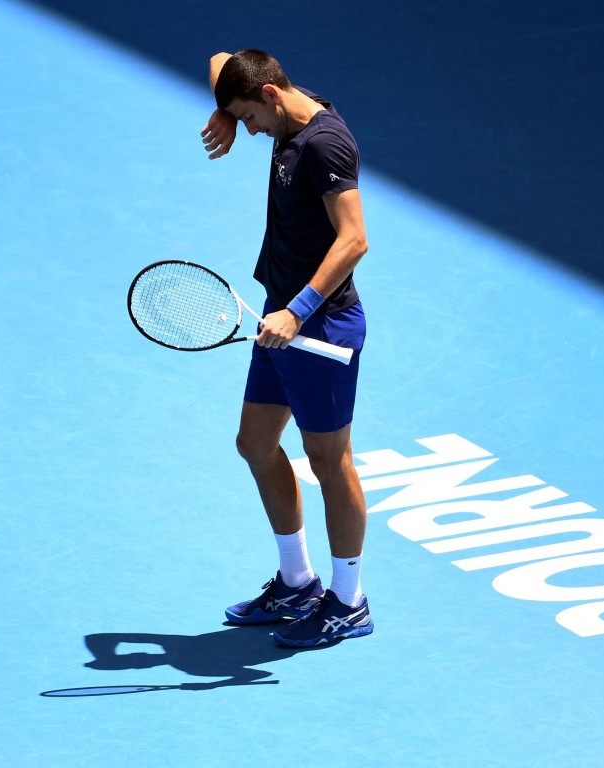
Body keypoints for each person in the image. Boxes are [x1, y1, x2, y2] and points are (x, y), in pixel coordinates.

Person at [200, 50, 372, 647]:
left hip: (318, 328)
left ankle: (348, 601)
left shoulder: (325, 146)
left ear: (272, 96)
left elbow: (355, 240)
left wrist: (298, 313)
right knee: (254, 443)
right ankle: (298, 581)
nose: (248, 131)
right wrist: (222, 108)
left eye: (249, 118)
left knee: (329, 463)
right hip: (279, 319)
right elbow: (223, 58)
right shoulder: (282, 110)